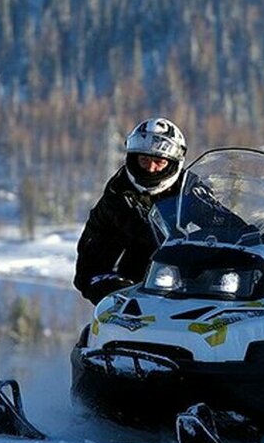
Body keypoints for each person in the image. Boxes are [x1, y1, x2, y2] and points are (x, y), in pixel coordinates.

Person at [73, 117, 187, 305]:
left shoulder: (190, 190)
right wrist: (109, 285)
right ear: (133, 159)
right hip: (128, 289)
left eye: (159, 161)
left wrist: (248, 234)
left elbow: (219, 218)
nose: (150, 168)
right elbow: (88, 265)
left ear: (173, 162)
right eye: (144, 160)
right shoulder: (116, 199)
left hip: (186, 285)